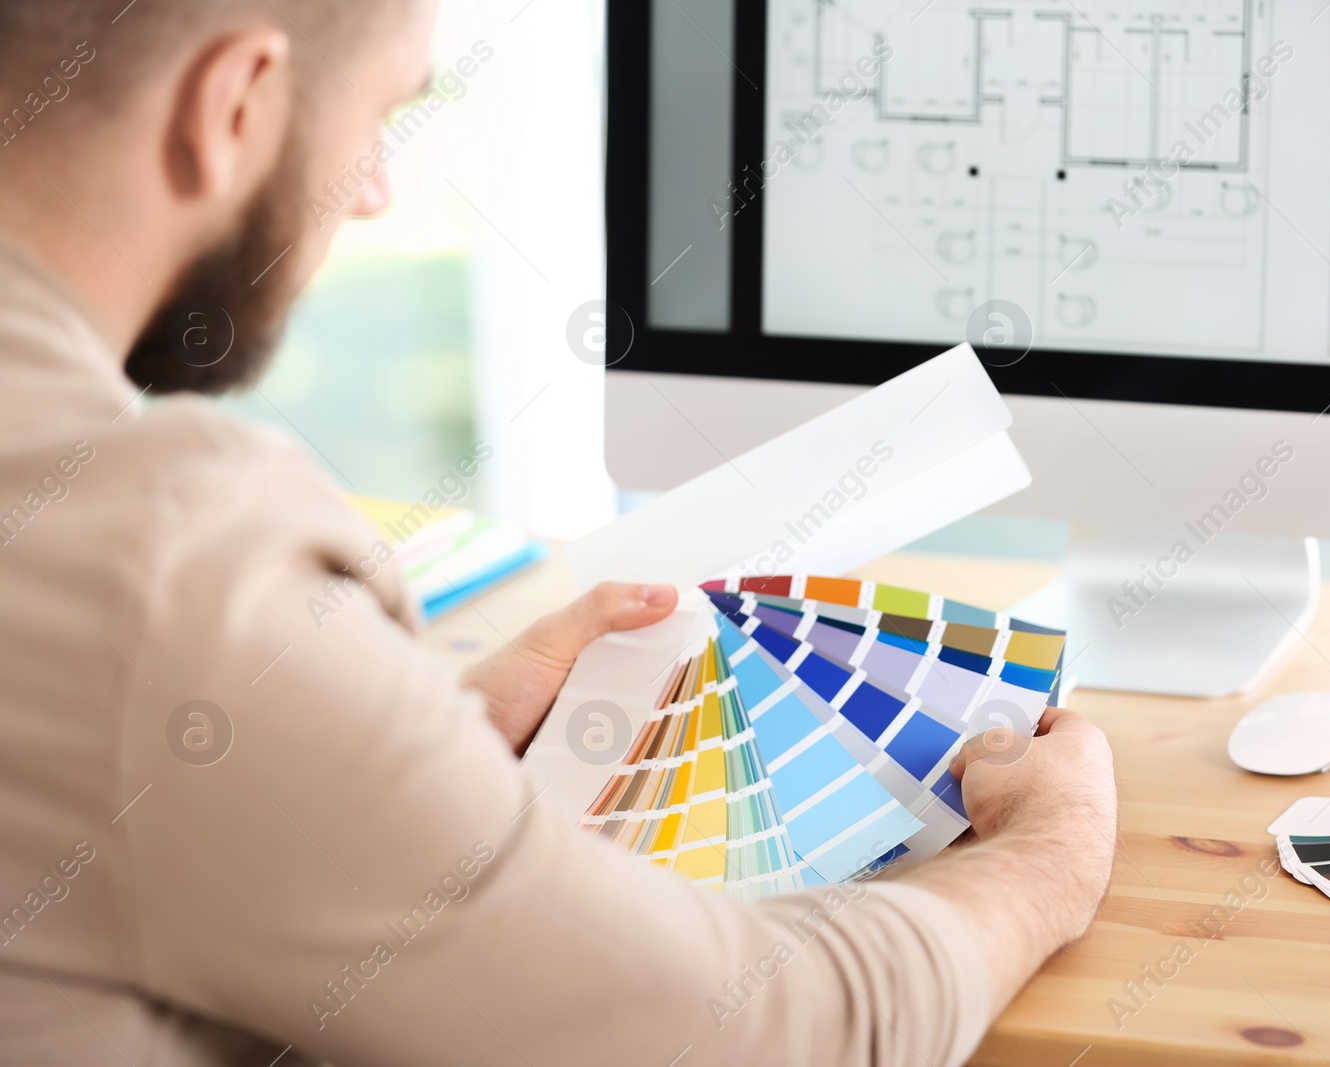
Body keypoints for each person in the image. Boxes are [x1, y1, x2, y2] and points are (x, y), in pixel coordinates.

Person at [0, 2, 1118, 1064]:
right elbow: (756, 1033)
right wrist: (1046, 854)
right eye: (381, 119)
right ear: (233, 103)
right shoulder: (164, 567)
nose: (376, 190)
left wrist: (405, 757)